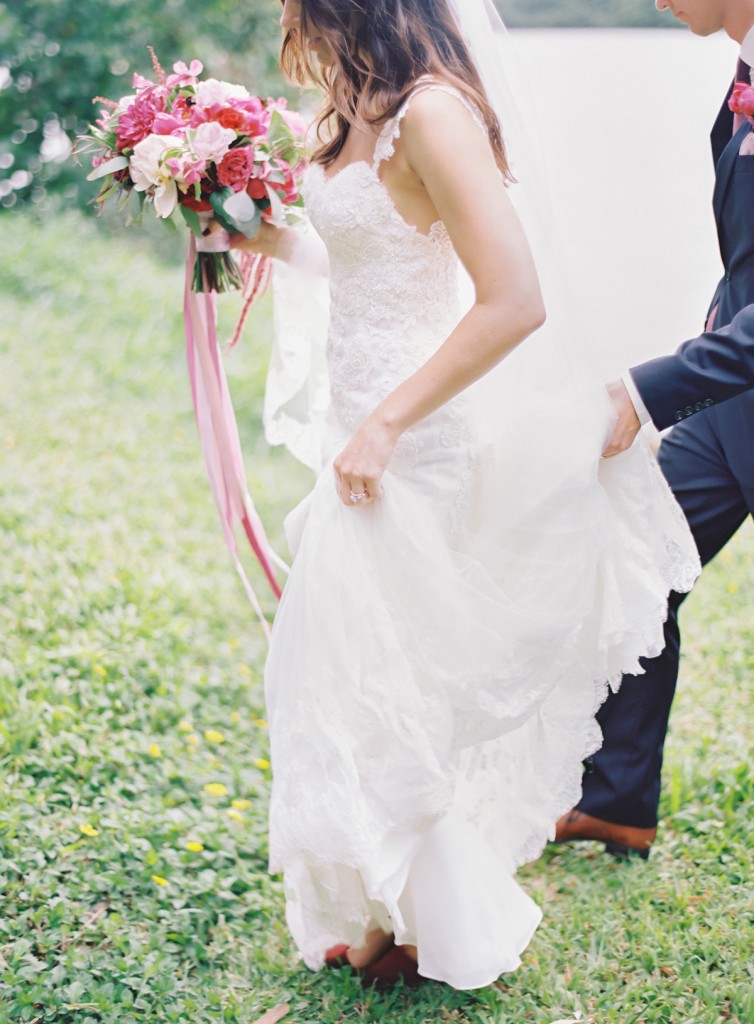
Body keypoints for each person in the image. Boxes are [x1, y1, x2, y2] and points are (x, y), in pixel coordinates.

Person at [230, 0, 700, 989]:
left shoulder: (433, 112)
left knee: (388, 686)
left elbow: (513, 300)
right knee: (348, 678)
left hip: (416, 441)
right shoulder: (356, 102)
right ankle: (385, 912)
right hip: (355, 432)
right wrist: (271, 242)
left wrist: (391, 420)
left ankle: (430, 923)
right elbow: (369, 261)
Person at [555, 0, 754, 861]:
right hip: (734, 405)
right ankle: (616, 798)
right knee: (633, 560)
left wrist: (645, 390)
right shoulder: (741, 76)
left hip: (718, 386)